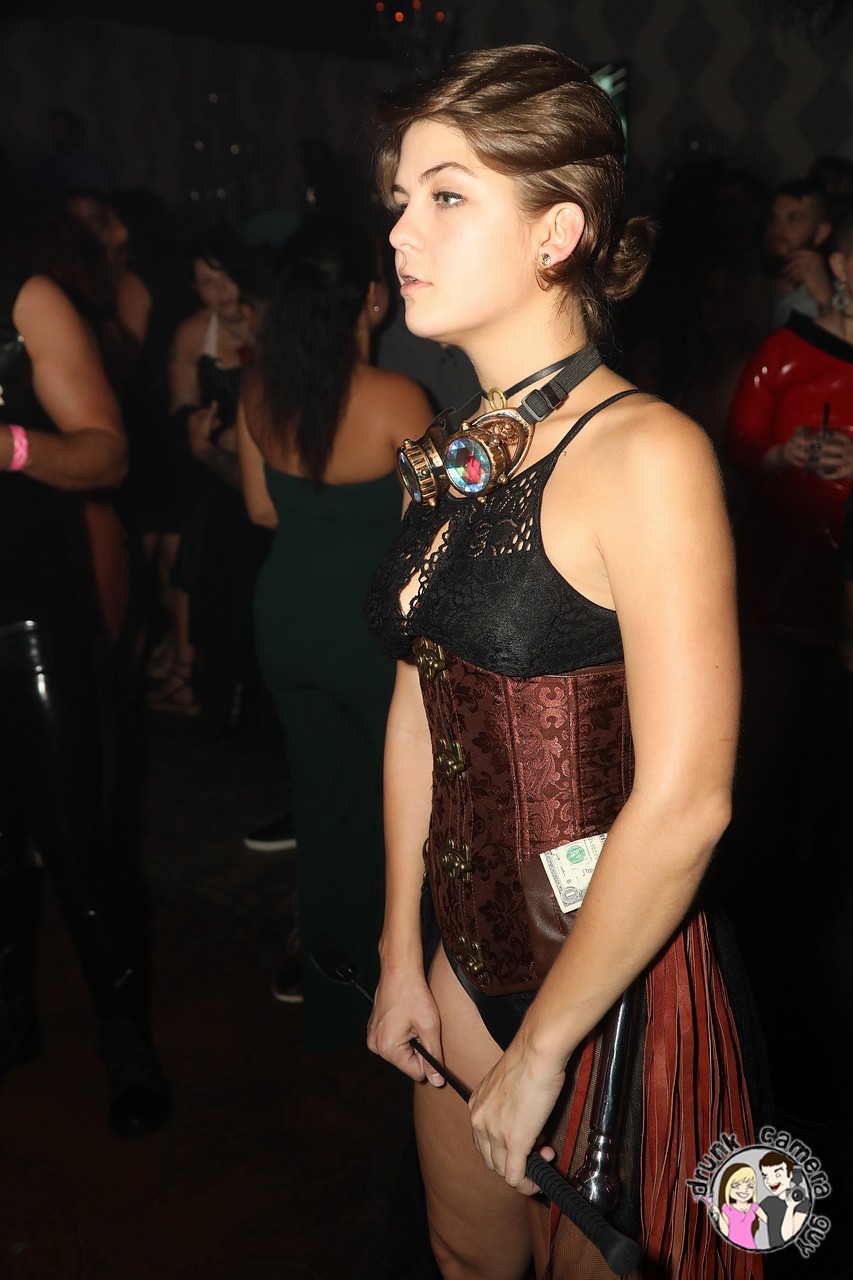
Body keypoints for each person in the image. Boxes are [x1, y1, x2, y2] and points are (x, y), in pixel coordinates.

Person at [364, 45, 763, 1280]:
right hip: (463, 963)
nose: (400, 230)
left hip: (616, 992)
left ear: (557, 231)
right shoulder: (456, 451)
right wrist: (396, 954)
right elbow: (418, 703)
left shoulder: (647, 454)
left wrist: (542, 1050)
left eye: (445, 195)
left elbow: (688, 801)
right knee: (465, 1257)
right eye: (400, 198)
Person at [237, 217, 432, 1041]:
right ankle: (406, 989)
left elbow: (259, 510)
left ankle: (332, 996)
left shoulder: (257, 390)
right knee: (408, 810)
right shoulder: (398, 399)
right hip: (366, 631)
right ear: (373, 298)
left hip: (285, 616)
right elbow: (426, 538)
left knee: (321, 809)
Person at [0, 224, 170, 1137]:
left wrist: (10, 447)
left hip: (23, 620)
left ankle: (125, 1043)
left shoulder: (25, 298)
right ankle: (10, 1019)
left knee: (74, 840)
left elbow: (106, 452)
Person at [762, 179, 833, 330]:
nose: (777, 227)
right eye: (773, 217)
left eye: (794, 218)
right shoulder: (745, 287)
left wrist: (826, 304)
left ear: (821, 233)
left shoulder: (831, 303)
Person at [706, 1164, 766, 1250]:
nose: (744, 1190)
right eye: (736, 1186)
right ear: (727, 1187)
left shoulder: (754, 1207)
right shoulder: (727, 1208)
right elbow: (726, 1232)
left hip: (750, 1246)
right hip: (731, 1248)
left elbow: (770, 1222)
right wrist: (718, 1213)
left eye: (750, 1186)